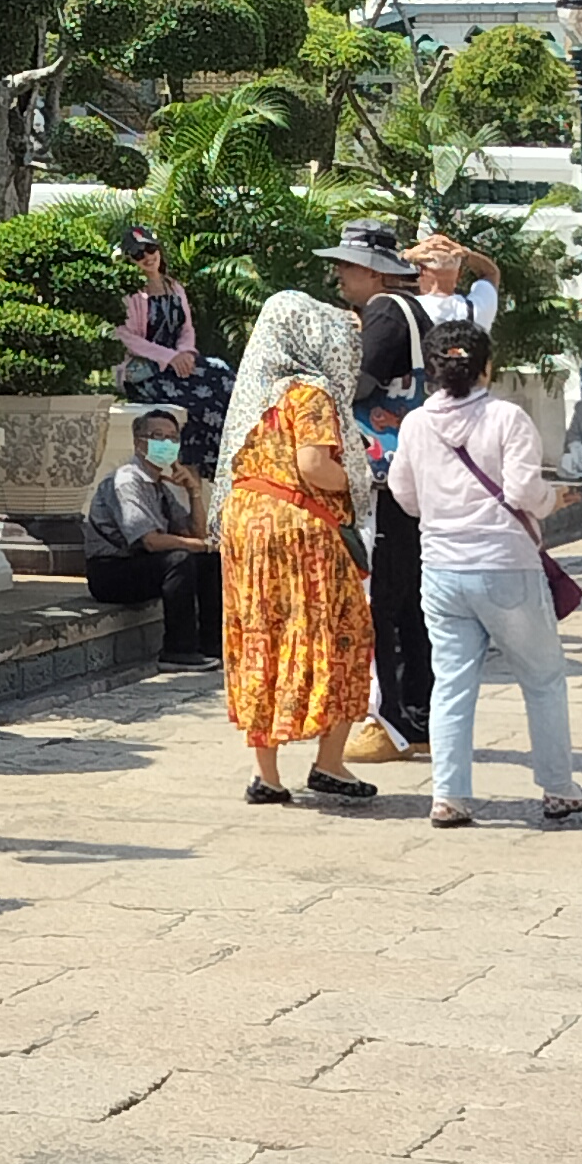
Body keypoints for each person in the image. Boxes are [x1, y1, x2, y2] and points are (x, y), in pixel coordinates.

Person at [388, 324, 582, 828]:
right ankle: (558, 787)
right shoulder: (507, 417)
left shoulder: (416, 423)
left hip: (441, 566)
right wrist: (554, 500)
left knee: (453, 683)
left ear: (433, 369)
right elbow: (525, 490)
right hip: (506, 563)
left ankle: (449, 794)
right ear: (487, 367)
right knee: (543, 679)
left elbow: (404, 493)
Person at [218, 288, 380, 805]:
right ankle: (330, 763)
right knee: (342, 632)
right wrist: (363, 479)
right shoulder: (311, 393)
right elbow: (314, 466)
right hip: (299, 527)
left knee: (258, 634)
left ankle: (265, 774)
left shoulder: (255, 393)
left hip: (246, 524)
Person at [331, 215, 437, 769]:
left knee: (380, 604)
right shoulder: (415, 312)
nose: (340, 277)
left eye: (347, 266)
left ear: (373, 271)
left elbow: (359, 383)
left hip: (381, 472)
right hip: (412, 471)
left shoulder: (384, 314)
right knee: (411, 601)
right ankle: (418, 717)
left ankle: (386, 719)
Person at [82, 403, 222, 659]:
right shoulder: (127, 481)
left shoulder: (159, 486)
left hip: (141, 565)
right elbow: (151, 541)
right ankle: (178, 651)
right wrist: (203, 545)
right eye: (158, 437)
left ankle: (212, 645)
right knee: (180, 559)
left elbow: (196, 533)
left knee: (208, 560)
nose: (166, 444)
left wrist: (194, 493)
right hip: (111, 571)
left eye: (172, 438)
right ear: (139, 443)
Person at [114, 230, 237, 478]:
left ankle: (228, 455)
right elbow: (127, 338)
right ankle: (195, 465)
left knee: (223, 375)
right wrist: (168, 358)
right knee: (193, 404)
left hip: (180, 363)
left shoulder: (174, 287)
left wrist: (185, 354)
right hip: (148, 371)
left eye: (151, 249)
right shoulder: (128, 294)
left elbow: (186, 328)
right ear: (129, 260)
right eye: (138, 254)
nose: (147, 257)